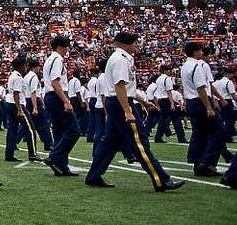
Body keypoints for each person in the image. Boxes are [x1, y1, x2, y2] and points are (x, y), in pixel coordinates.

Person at [85, 32, 185, 192]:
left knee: (109, 143)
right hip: (120, 104)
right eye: (134, 43)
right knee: (139, 142)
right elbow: (120, 86)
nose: (136, 46)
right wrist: (127, 110)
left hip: (117, 103)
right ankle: (161, 180)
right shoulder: (121, 60)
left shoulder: (120, 58)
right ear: (127, 44)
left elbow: (127, 87)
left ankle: (93, 176)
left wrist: (143, 101)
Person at [180, 41, 226, 177]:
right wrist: (209, 107)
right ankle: (205, 162)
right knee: (219, 130)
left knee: (199, 133)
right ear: (195, 52)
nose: (202, 53)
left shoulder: (185, 66)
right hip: (200, 102)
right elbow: (201, 88)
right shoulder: (197, 66)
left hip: (191, 102)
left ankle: (197, 163)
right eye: (200, 50)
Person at [43, 35, 81, 177]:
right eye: (66, 47)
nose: (67, 50)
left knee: (59, 131)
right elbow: (55, 82)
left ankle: (61, 167)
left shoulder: (50, 59)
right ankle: (54, 157)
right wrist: (66, 100)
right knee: (73, 130)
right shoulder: (57, 59)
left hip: (51, 96)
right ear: (60, 46)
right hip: (57, 96)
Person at [4, 55, 37, 162]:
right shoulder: (18, 77)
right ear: (21, 66)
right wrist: (19, 109)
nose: (26, 67)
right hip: (16, 104)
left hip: (9, 103)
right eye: (25, 65)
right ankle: (33, 154)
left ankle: (9, 154)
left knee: (12, 130)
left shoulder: (12, 75)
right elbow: (16, 94)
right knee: (30, 129)